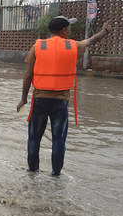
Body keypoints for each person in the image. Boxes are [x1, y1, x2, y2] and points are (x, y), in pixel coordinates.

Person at [17, 16, 112, 176]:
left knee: (34, 138)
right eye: (68, 27)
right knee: (58, 140)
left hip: (40, 100)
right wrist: (104, 31)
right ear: (64, 30)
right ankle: (56, 175)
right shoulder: (72, 45)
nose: (70, 30)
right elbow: (91, 41)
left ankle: (32, 171)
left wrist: (23, 99)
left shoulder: (38, 46)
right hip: (60, 102)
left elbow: (28, 76)